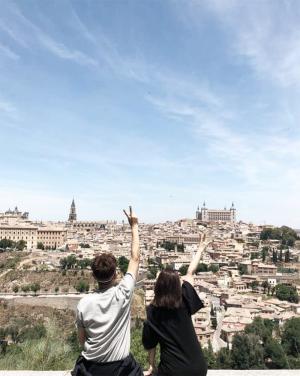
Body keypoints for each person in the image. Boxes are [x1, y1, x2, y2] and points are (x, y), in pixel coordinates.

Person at [72, 206, 143, 376]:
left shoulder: (83, 304)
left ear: (94, 276)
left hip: (91, 368)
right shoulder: (123, 293)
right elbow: (135, 258)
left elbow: (82, 341)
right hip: (121, 369)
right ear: (115, 275)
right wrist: (134, 226)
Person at [142, 235, 210, 376]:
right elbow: (190, 272)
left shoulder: (152, 313)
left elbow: (151, 345)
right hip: (198, 367)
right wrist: (201, 248)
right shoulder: (184, 299)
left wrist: (151, 366)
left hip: (172, 370)